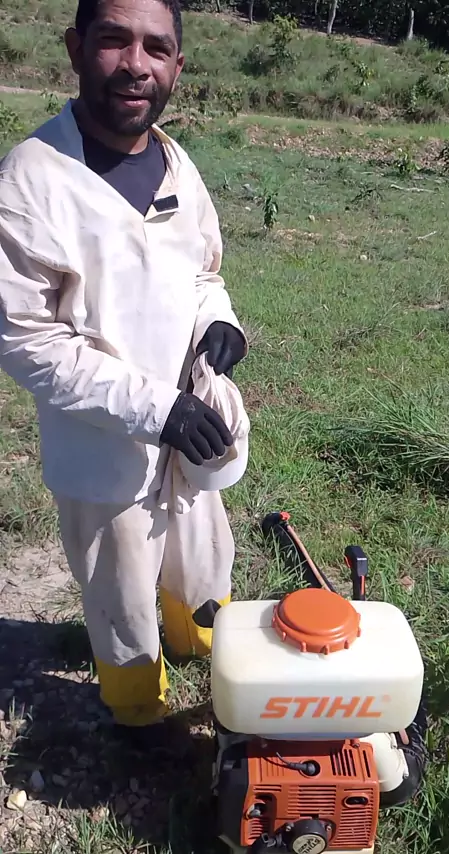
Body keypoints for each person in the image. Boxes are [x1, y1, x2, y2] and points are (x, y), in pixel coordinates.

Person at [0, 0, 247, 749]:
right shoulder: (31, 179)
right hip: (101, 452)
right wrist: (156, 410)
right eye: (114, 40)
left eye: (156, 48)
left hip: (188, 432)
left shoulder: (176, 162)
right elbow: (27, 340)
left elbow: (202, 271)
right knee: (122, 593)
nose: (136, 64)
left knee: (201, 562)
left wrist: (220, 320)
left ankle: (203, 648)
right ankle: (140, 717)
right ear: (76, 49)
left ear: (178, 66)